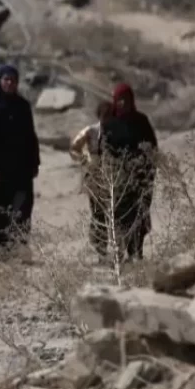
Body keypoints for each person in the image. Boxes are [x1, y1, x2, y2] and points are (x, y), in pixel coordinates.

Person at [0, 66, 40, 261]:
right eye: (6, 79)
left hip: (21, 166)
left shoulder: (22, 106)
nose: (10, 83)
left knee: (22, 207)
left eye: (13, 80)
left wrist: (35, 162)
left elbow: (30, 135)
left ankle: (17, 247)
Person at [98, 83, 159, 262]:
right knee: (120, 216)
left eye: (126, 100)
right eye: (120, 100)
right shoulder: (109, 124)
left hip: (140, 177)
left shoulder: (141, 121)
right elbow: (103, 150)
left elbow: (151, 147)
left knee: (139, 215)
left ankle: (136, 252)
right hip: (119, 179)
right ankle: (121, 252)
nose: (123, 103)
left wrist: (146, 168)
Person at [71, 101, 117, 259]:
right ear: (99, 116)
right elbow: (74, 148)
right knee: (98, 214)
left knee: (114, 213)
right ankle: (101, 249)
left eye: (110, 116)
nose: (107, 119)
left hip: (113, 177)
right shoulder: (91, 131)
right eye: (105, 116)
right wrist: (86, 160)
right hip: (95, 178)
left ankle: (115, 248)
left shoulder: (117, 132)